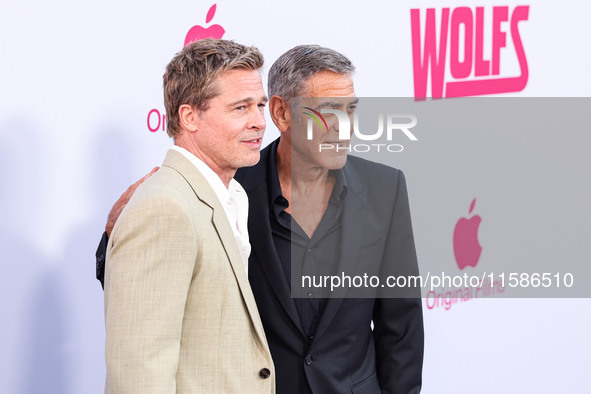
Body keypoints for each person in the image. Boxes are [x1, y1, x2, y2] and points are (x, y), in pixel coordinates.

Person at [97, 44, 423, 394]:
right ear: (283, 114)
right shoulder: (230, 189)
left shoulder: (384, 188)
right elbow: (155, 302)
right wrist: (113, 238)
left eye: (351, 110)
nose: (345, 128)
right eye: (328, 112)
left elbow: (401, 325)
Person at [102, 39, 274, 394]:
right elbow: (139, 372)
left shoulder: (232, 196)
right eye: (240, 108)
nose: (259, 122)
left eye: (260, 105)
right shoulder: (165, 208)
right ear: (189, 116)